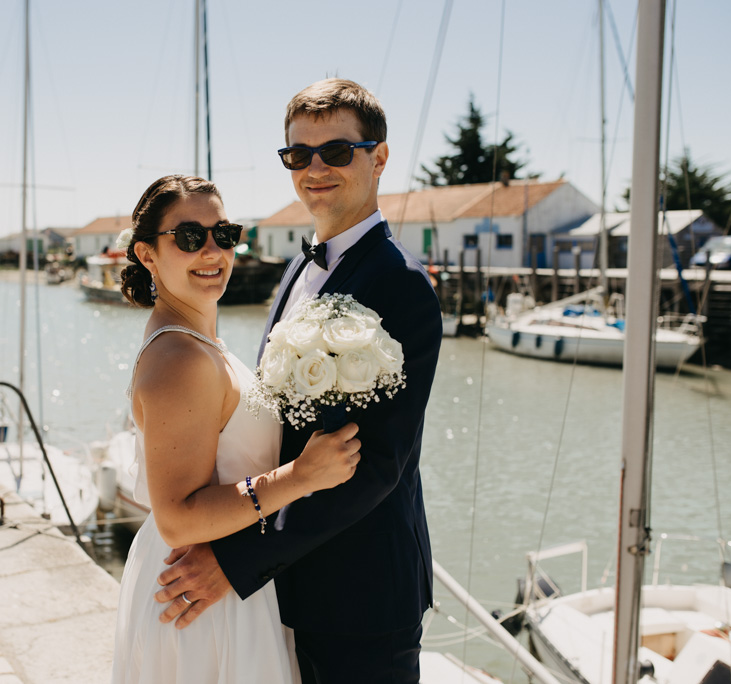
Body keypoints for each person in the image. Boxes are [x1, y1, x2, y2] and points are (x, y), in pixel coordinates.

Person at [154, 79, 444, 683]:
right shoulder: (294, 270)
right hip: (280, 591)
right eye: (298, 154)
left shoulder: (402, 286)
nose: (315, 168)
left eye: (336, 151)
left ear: (379, 158)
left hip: (361, 596)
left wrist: (234, 562)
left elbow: (376, 465)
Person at [111, 174, 362, 683]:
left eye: (223, 234)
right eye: (188, 237)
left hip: (223, 577)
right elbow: (178, 517)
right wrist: (302, 477)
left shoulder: (194, 342)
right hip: (201, 596)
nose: (212, 250)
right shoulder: (180, 357)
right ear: (147, 254)